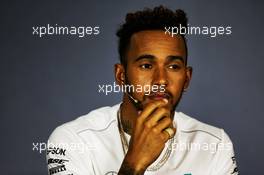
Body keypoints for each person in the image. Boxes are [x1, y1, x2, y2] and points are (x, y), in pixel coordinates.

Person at [46, 6, 238, 175]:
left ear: (186, 79)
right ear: (121, 76)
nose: (161, 80)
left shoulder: (216, 145)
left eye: (173, 67)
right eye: (146, 65)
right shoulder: (71, 141)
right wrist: (134, 163)